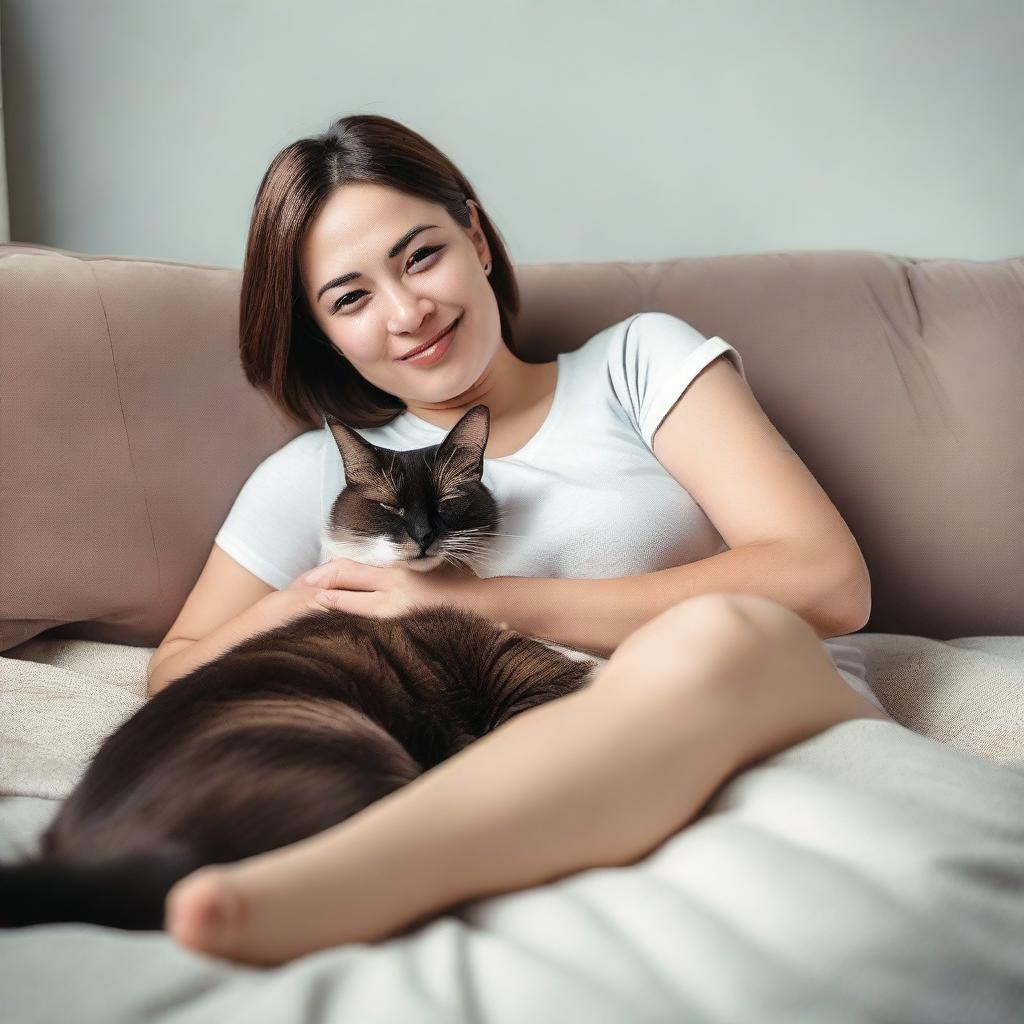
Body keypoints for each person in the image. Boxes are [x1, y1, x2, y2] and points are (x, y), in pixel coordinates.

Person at [151, 113, 894, 967]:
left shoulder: (635, 361)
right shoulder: (317, 476)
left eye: (420, 255)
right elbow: (173, 671)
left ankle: (367, 877)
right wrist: (308, 599)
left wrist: (473, 604)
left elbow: (829, 581)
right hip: (529, 774)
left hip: (769, 709)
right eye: (351, 298)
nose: (407, 311)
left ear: (476, 236)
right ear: (323, 332)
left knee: (718, 632)